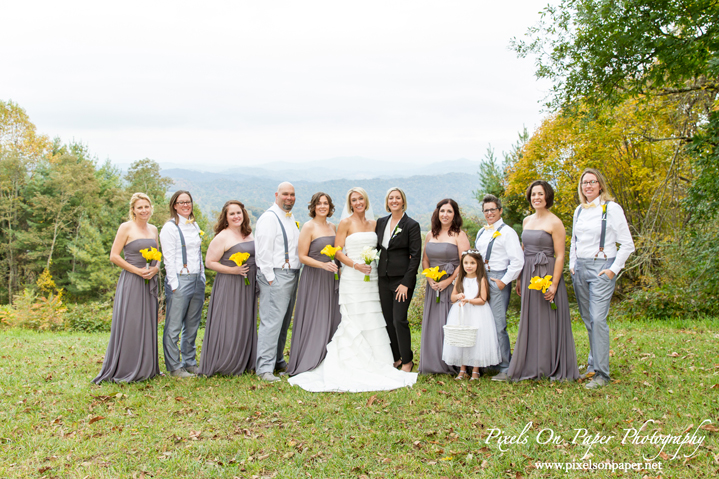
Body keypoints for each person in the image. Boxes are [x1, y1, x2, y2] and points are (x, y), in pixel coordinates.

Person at [288, 187, 418, 392]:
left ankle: (384, 360)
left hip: (372, 276)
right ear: (350, 203)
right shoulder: (345, 223)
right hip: (352, 275)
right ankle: (352, 361)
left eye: (361, 199)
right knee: (354, 317)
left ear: (366, 201)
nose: (358, 202)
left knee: (374, 317)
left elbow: (386, 248)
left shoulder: (376, 224)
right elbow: (338, 252)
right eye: (354, 200)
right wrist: (355, 265)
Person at [506, 181, 580, 381]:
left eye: (540, 194)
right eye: (533, 194)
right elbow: (523, 251)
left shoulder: (555, 222)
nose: (536, 197)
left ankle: (549, 364)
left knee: (548, 318)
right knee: (531, 318)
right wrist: (520, 278)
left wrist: (554, 284)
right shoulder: (527, 220)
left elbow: (560, 256)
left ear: (547, 196)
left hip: (547, 272)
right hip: (529, 273)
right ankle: (531, 363)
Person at [570, 168, 635, 389]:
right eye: (584, 183)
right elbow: (574, 241)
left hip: (602, 267)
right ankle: (592, 365)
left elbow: (628, 244)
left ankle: (602, 374)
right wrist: (572, 264)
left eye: (592, 182)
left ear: (600, 185)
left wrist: (613, 270)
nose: (587, 186)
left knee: (598, 319)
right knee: (589, 319)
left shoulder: (611, 208)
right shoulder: (579, 210)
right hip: (581, 267)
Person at [94, 193, 160, 383]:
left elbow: (157, 255)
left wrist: (155, 269)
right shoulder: (126, 227)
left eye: (146, 206)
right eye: (140, 207)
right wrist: (136, 271)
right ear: (133, 210)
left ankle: (147, 367)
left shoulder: (154, 229)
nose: (144, 210)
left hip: (149, 281)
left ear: (151, 208)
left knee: (147, 322)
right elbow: (114, 256)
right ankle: (127, 366)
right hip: (132, 281)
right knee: (131, 322)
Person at [198, 200, 257, 377]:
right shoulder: (222, 236)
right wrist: (233, 270)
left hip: (248, 284)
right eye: (232, 214)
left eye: (238, 212)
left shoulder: (248, 233)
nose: (236, 216)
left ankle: (245, 359)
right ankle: (226, 362)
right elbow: (209, 262)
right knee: (230, 321)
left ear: (244, 214)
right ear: (226, 217)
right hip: (230, 284)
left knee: (245, 319)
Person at [286, 192, 341, 376]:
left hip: (331, 278)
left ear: (330, 206)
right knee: (315, 317)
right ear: (313, 207)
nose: (323, 206)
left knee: (332, 316)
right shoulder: (308, 227)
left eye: (326, 203)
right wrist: (323, 265)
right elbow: (302, 257)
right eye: (319, 204)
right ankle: (309, 357)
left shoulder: (333, 226)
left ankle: (329, 358)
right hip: (314, 278)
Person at [474, 194, 524, 382]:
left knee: (498, 323)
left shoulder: (508, 232)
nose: (489, 213)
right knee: (483, 321)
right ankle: (490, 362)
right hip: (481, 278)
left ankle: (505, 366)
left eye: (492, 209)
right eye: (486, 210)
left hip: (498, 277)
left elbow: (518, 261)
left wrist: (503, 281)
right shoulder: (481, 232)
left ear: (500, 210)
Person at [255, 182, 300, 382]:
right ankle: (264, 368)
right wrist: (270, 278)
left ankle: (278, 360)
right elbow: (263, 250)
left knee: (283, 321)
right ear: (276, 195)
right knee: (271, 322)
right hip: (276, 274)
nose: (289, 198)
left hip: (291, 274)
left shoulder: (289, 218)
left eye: (292, 194)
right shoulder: (269, 218)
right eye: (285, 194)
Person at [419, 198, 470, 375]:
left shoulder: (459, 235)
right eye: (442, 211)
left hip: (452, 285)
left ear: (454, 214)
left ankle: (453, 363)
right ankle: (433, 362)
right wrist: (429, 279)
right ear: (437, 213)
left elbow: (465, 262)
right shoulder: (430, 234)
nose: (445, 215)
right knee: (433, 323)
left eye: (449, 211)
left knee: (450, 323)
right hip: (434, 286)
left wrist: (448, 281)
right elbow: (425, 260)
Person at [375, 187, 422, 372]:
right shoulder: (381, 222)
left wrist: (405, 283)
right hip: (383, 279)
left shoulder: (411, 225)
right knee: (387, 320)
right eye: (391, 198)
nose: (394, 201)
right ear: (387, 202)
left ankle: (408, 360)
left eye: (397, 198)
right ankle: (395, 357)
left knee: (399, 320)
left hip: (402, 281)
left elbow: (415, 256)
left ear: (403, 201)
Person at [160, 190, 205, 378]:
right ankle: (174, 367)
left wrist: (201, 276)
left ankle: (190, 361)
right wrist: (174, 284)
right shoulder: (170, 228)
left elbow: (197, 253)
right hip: (179, 278)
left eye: (188, 202)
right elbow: (168, 259)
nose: (186, 205)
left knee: (192, 324)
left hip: (197, 279)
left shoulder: (194, 225)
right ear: (174, 205)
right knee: (174, 326)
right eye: (181, 202)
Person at [442, 250, 501, 380]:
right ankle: (462, 369)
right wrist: (458, 296)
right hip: (462, 314)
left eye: (472, 263)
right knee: (462, 339)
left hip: (478, 313)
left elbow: (483, 299)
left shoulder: (481, 280)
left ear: (478, 264)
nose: (469, 266)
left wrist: (468, 300)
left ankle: (476, 369)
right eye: (466, 263)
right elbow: (452, 298)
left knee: (477, 340)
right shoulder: (460, 279)